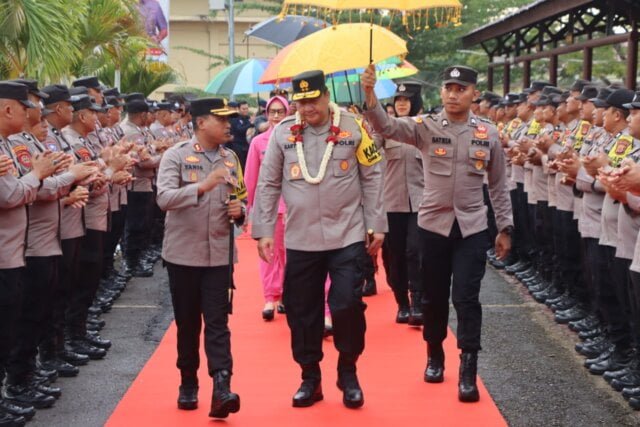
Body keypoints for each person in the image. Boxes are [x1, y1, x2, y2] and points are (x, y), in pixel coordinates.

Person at [361, 64, 513, 403]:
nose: (453, 94)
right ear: (442, 92)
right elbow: (386, 125)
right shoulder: (425, 127)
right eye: (448, 87)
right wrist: (369, 95)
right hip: (432, 226)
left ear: (474, 93)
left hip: (472, 227)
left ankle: (468, 366)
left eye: (461, 88)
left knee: (466, 297)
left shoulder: (487, 133)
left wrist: (505, 226)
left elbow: (500, 184)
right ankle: (434, 353)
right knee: (432, 296)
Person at [252, 70, 386, 409]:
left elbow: (372, 177)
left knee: (346, 305)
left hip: (348, 234)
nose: (307, 108)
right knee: (302, 311)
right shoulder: (283, 133)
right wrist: (264, 230)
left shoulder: (353, 127)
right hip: (300, 238)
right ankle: (310, 377)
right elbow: (267, 184)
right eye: (301, 101)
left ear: (326, 96)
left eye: (313, 100)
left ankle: (348, 369)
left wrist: (377, 224)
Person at [156, 98, 245, 419]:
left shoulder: (231, 159)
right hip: (183, 255)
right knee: (188, 324)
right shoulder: (176, 156)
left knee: (219, 324)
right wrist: (202, 187)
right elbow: (164, 198)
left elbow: (240, 199)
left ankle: (222, 386)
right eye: (221, 120)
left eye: (230, 120)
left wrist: (240, 212)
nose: (228, 125)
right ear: (201, 122)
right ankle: (187, 380)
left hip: (219, 256)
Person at [377, 81, 425, 326]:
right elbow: (370, 150)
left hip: (420, 202)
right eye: (398, 100)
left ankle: (417, 301)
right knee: (394, 254)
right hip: (392, 201)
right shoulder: (386, 129)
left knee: (414, 250)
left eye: (406, 100)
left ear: (416, 102)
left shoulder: (427, 127)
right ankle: (402, 303)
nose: (402, 104)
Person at [244, 95, 289, 320]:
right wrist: (246, 209)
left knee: (288, 254)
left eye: (281, 111)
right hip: (268, 208)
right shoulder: (259, 142)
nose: (277, 116)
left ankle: (285, 295)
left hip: (292, 207)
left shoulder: (295, 140)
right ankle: (270, 297)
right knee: (269, 253)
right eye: (273, 111)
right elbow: (250, 178)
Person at [227, 101, 253, 170]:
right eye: (243, 109)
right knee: (240, 166)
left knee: (247, 165)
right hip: (237, 146)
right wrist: (250, 124)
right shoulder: (235, 118)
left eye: (247, 108)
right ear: (238, 109)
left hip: (246, 145)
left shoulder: (247, 118)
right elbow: (240, 130)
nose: (245, 110)